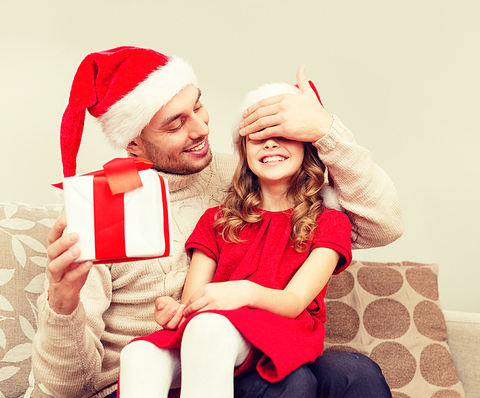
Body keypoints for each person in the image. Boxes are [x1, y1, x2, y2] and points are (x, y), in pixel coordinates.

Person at [32, 46, 401, 398]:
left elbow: (383, 225)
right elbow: (62, 388)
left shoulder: (246, 176)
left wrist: (325, 130)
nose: (201, 129)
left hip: (252, 343)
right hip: (163, 366)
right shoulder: (101, 211)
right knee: (291, 384)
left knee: (355, 374)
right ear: (134, 144)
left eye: (198, 107)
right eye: (176, 123)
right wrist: (63, 304)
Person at [118, 80, 354, 398]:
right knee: (139, 353)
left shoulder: (329, 221)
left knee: (208, 328)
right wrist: (176, 311)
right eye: (258, 138)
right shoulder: (217, 220)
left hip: (281, 330)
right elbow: (194, 301)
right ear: (245, 150)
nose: (270, 145)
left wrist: (243, 292)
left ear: (306, 148)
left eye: (283, 136)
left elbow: (295, 302)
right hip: (213, 330)